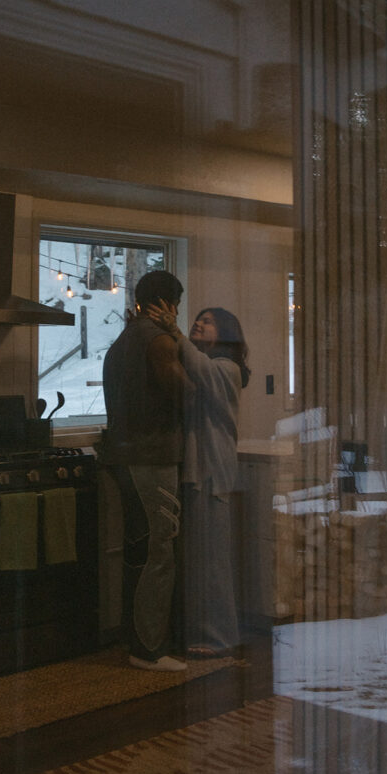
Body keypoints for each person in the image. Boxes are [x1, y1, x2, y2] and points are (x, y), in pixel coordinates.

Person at [101, 270, 194, 672]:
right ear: (168, 305)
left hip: (123, 456)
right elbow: (189, 396)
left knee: (139, 551)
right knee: (158, 552)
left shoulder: (121, 341)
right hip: (152, 459)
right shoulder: (157, 342)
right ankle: (148, 649)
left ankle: (136, 640)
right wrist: (177, 339)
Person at [147, 301, 250, 658]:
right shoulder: (205, 365)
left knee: (213, 562)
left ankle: (222, 636)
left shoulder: (227, 368)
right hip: (200, 472)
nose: (199, 324)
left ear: (225, 334)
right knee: (202, 560)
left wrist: (174, 333)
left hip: (211, 474)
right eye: (197, 320)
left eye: (208, 322)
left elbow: (202, 370)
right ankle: (204, 632)